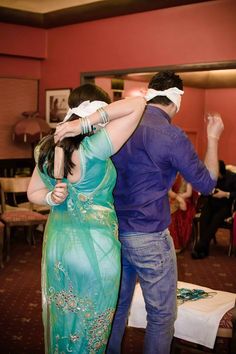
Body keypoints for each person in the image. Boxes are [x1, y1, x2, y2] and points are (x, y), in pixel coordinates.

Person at [106, 71, 224, 354]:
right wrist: (213, 137)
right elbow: (207, 184)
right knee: (161, 315)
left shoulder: (121, 125)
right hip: (149, 236)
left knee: (116, 309)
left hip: (113, 231)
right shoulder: (170, 135)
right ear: (177, 100)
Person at [27, 83, 146, 354]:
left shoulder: (46, 146)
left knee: (64, 319)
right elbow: (138, 104)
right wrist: (87, 124)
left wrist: (51, 198)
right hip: (98, 250)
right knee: (93, 323)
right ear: (98, 110)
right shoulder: (95, 148)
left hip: (60, 247)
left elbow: (33, 192)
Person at [192, 159, 236, 259]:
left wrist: (225, 194)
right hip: (211, 202)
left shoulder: (232, 177)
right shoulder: (211, 178)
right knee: (204, 218)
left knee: (215, 220)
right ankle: (204, 250)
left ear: (220, 171)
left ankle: (199, 247)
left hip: (225, 205)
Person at [168, 174, 198, 252]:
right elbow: (169, 192)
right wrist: (177, 198)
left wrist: (180, 198)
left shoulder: (187, 175)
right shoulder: (171, 174)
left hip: (185, 199)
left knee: (176, 213)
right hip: (174, 198)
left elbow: (188, 193)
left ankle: (177, 244)